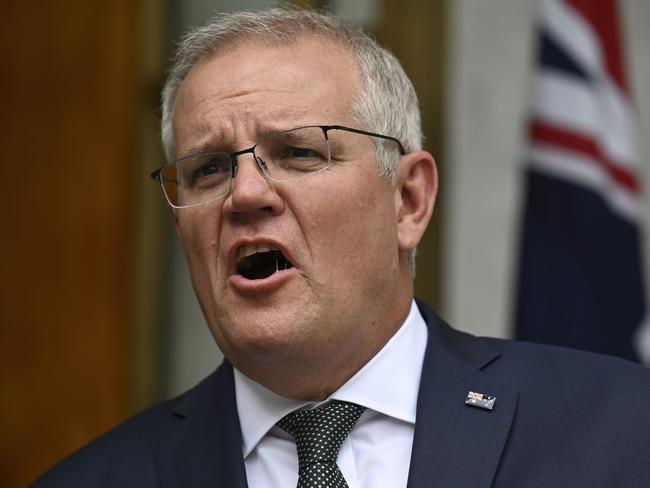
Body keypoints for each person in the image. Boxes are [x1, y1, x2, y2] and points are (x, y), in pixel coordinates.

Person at [33, 7, 650, 487]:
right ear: (180, 228)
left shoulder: (620, 428)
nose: (245, 194)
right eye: (210, 170)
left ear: (408, 200)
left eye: (298, 153)